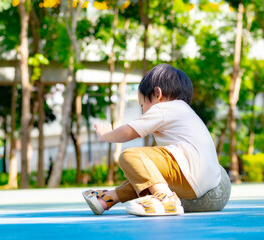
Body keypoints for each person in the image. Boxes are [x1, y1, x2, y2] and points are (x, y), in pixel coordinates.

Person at [82, 64, 221, 216]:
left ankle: (166, 199)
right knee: (149, 174)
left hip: (188, 174)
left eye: (142, 105)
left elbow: (129, 131)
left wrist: (105, 135)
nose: (143, 111)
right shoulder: (186, 112)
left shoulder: (164, 108)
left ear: (157, 94)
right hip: (206, 183)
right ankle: (108, 198)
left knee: (131, 156)